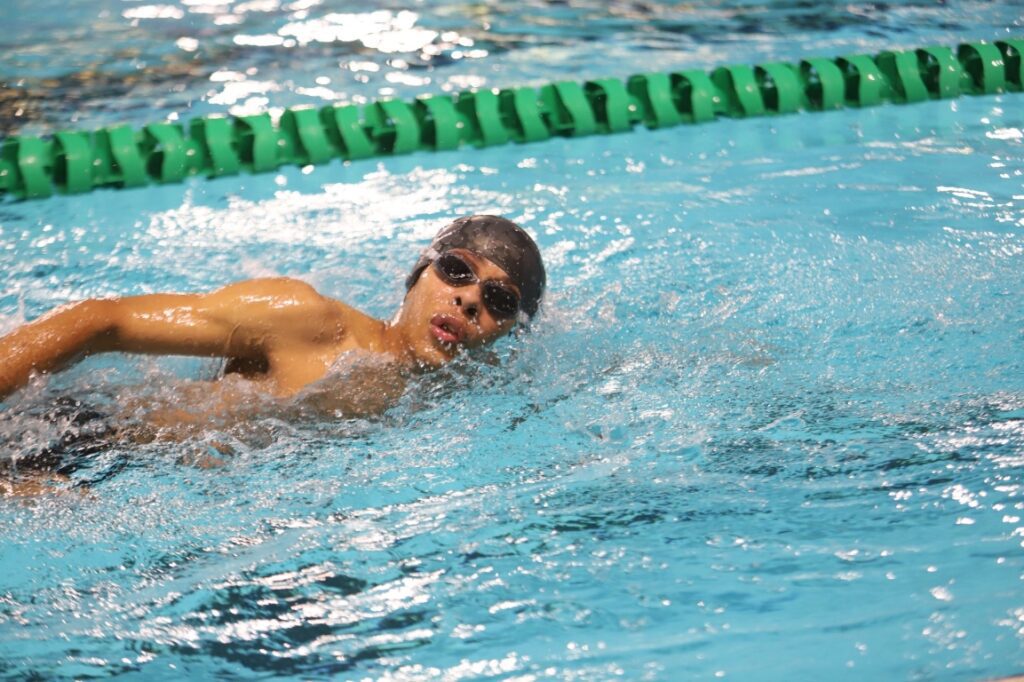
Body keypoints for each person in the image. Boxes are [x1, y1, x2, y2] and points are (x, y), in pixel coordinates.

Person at [0, 214, 546, 421]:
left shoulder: (461, 396)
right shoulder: (309, 322)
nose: (470, 299)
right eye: (456, 270)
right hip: (81, 443)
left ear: (506, 333)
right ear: (417, 275)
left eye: (499, 301)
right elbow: (103, 320)